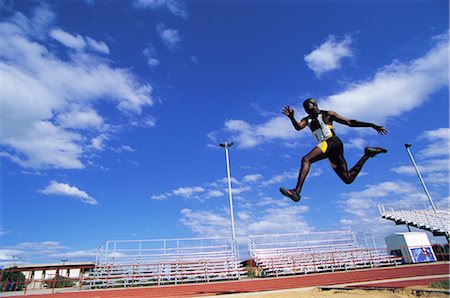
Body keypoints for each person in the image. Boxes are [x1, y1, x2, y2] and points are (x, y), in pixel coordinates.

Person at [279, 98, 388, 202]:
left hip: (333, 142)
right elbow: (298, 127)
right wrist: (291, 117)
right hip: (329, 150)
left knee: (306, 159)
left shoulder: (327, 114)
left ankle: (296, 192)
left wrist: (371, 125)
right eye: (304, 108)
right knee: (348, 178)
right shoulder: (306, 120)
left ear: (313, 105)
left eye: (307, 106)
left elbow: (349, 122)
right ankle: (367, 154)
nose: (305, 109)